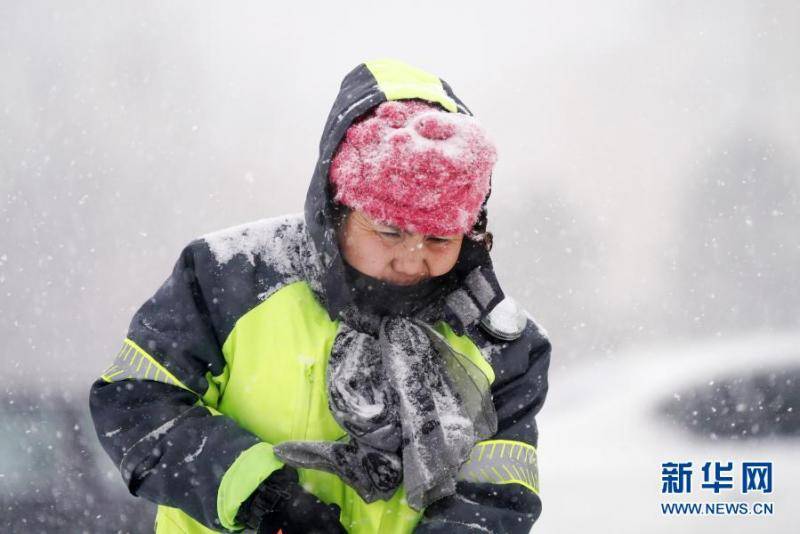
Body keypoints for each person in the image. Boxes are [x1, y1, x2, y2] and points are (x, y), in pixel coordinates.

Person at [90, 58, 551, 534]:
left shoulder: (502, 343)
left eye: (439, 239)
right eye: (389, 231)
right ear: (337, 209)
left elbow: (494, 500)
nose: (412, 261)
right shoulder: (226, 279)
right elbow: (136, 403)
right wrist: (263, 498)